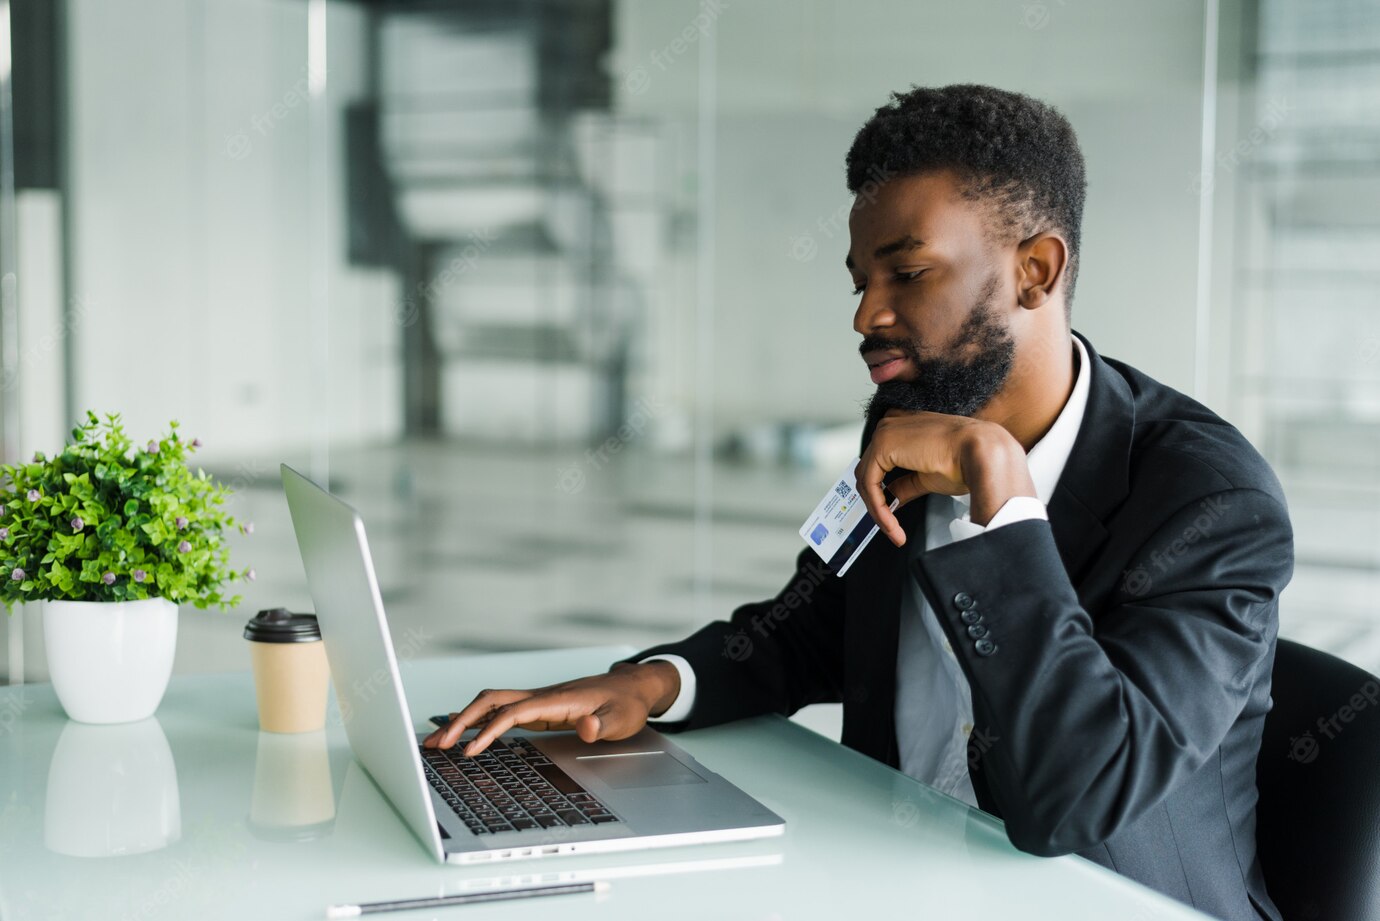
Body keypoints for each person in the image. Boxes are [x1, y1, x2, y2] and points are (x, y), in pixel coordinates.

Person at [424, 84, 1292, 921]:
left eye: (907, 273)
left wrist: (1002, 497)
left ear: (1036, 269)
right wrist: (650, 682)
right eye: (859, 283)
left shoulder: (1209, 500)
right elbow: (811, 627)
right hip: (888, 878)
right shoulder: (910, 431)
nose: (867, 316)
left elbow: (1077, 794)